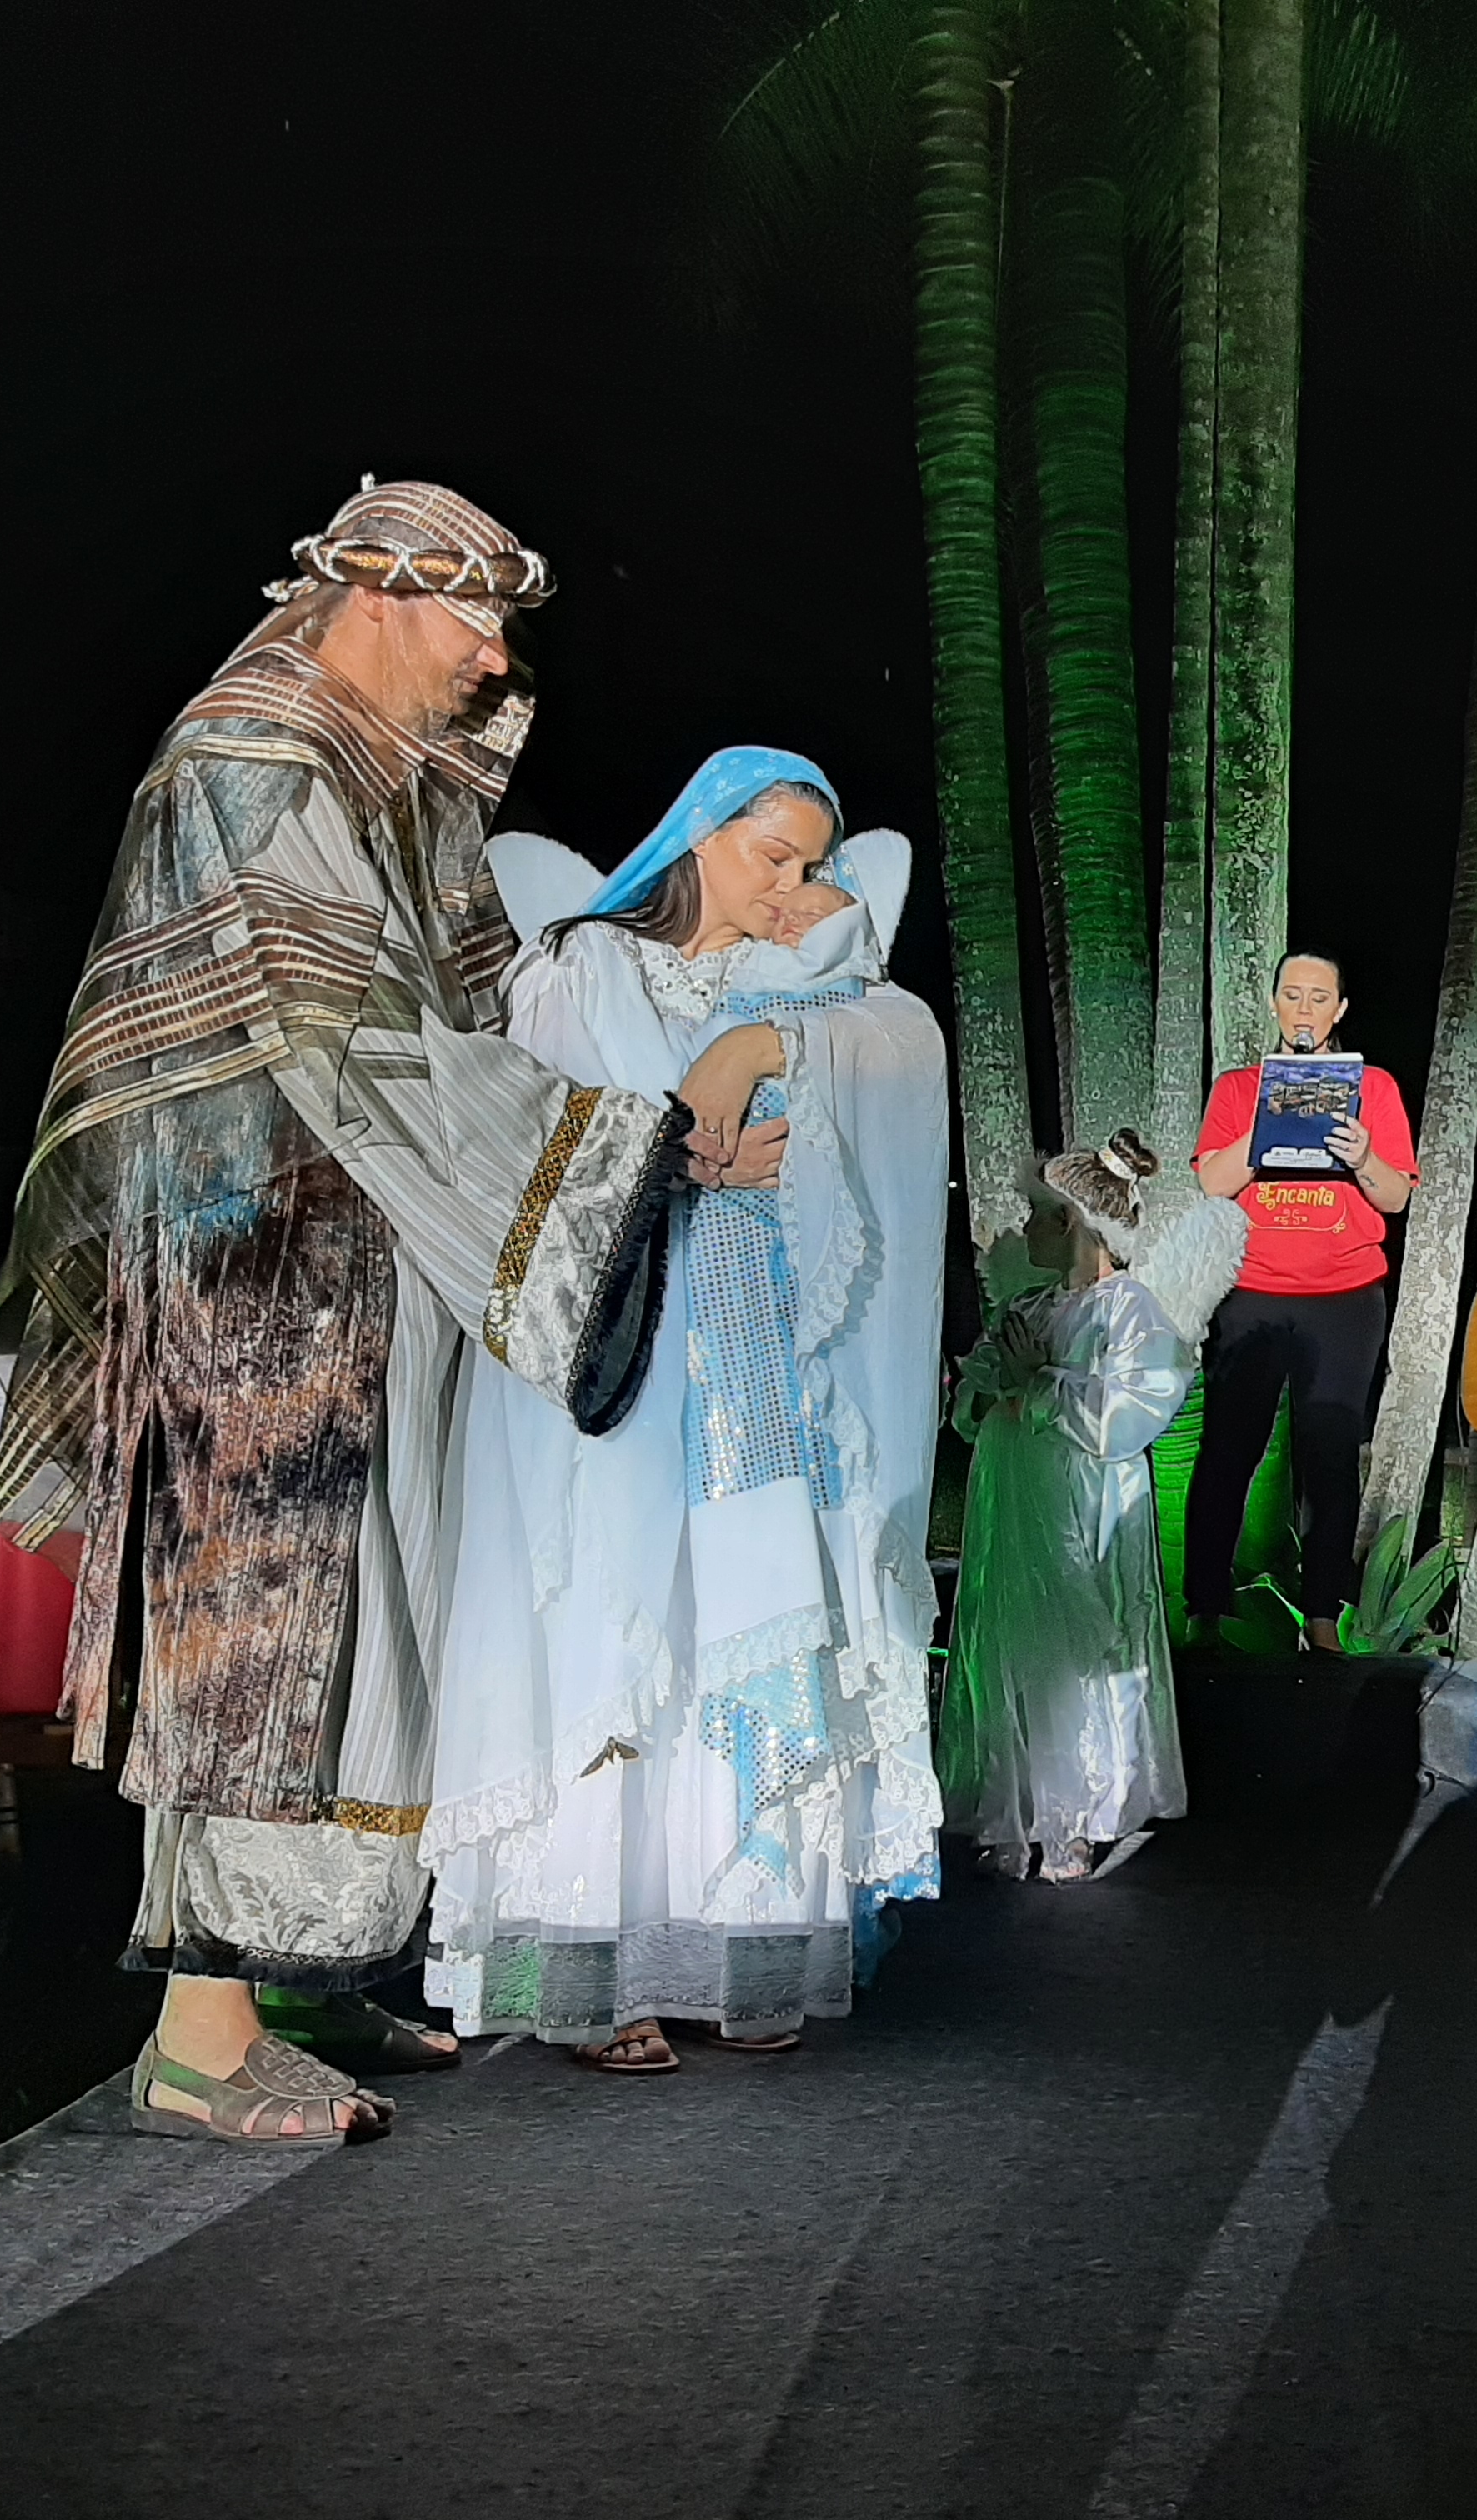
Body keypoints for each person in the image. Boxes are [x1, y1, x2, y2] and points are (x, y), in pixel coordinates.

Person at [0, 481, 743, 2145]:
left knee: (362, 1629)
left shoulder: (366, 773)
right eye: (476, 620)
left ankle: (303, 1977)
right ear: (379, 592)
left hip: (343, 1255)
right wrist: (618, 1146)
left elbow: (458, 1002)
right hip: (249, 1269)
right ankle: (198, 2042)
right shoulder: (255, 758)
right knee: (262, 1637)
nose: (495, 661)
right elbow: (353, 1032)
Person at [423, 753, 950, 2070]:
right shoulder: (585, 967)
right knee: (622, 1628)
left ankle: (730, 1948)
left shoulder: (806, 990)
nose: (792, 885)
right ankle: (594, 1969)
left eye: (814, 866)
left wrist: (761, 1040)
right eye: (773, 854)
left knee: (741, 1627)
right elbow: (520, 1142)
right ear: (701, 834)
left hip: (757, 1375)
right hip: (621, 1366)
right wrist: (680, 1154)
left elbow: (902, 1052)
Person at [939, 1131, 1246, 1878]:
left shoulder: (1130, 1312)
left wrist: (1039, 1384)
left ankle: (1076, 1811)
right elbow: (977, 1391)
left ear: (1073, 1223)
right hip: (1016, 1494)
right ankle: (1014, 1801)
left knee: (1082, 1643)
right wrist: (987, 1389)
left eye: (1038, 1215)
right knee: (1015, 1635)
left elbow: (1131, 1415)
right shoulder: (1031, 1304)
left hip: (1082, 1503)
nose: (1025, 1230)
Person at [1184, 952, 1418, 1648]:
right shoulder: (1238, 1088)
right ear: (1275, 1004)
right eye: (1293, 995)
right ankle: (1203, 1611)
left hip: (1345, 1300)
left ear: (1339, 1009)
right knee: (1227, 1452)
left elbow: (1395, 1197)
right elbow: (1213, 1183)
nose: (1305, 1010)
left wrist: (1364, 1155)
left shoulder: (1374, 1087)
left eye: (1320, 998)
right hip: (1250, 1295)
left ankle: (1322, 1620)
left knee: (1331, 1457)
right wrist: (1267, 1125)